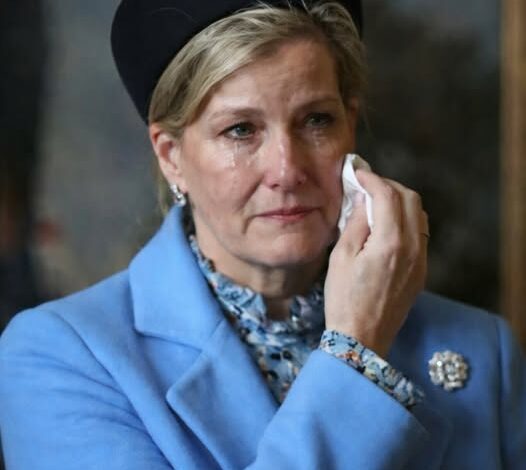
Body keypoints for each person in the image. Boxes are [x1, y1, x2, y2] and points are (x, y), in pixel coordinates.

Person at [0, 1, 525, 468]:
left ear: (350, 125)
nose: (287, 170)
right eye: (241, 130)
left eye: (316, 120)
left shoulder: (483, 349)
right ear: (172, 156)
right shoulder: (62, 357)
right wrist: (356, 352)